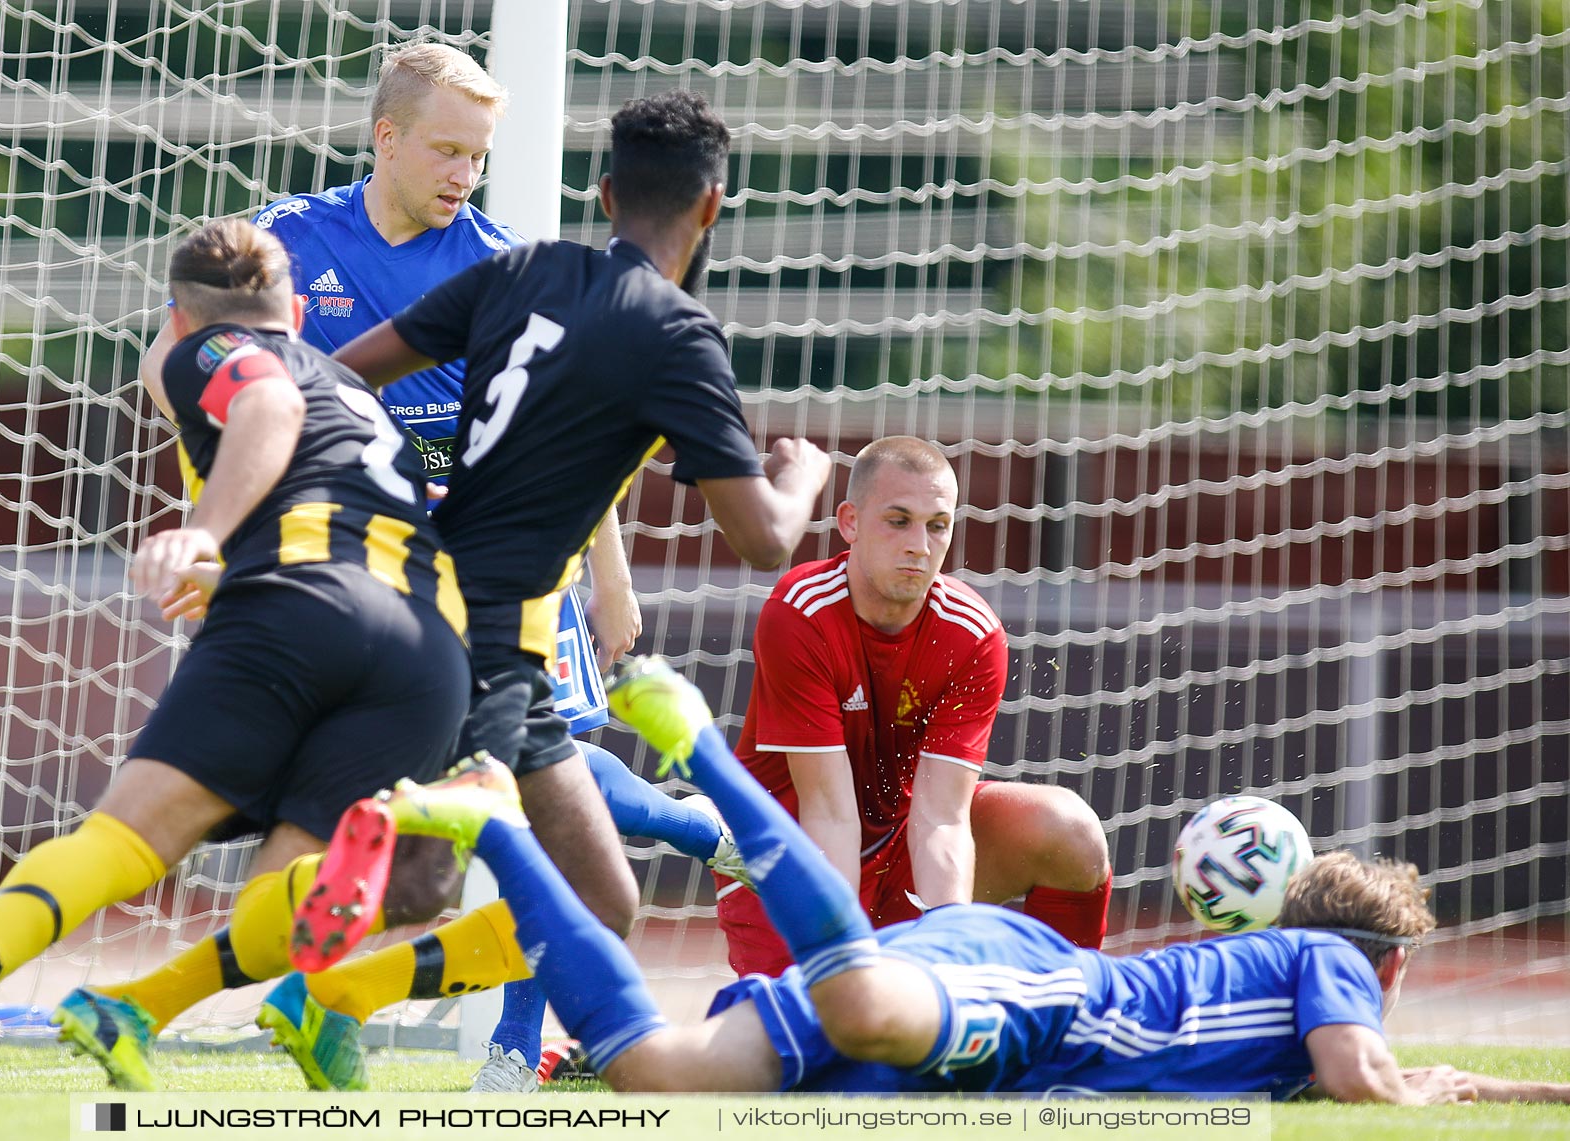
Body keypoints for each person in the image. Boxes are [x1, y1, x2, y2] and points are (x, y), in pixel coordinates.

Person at [80, 45, 729, 1094]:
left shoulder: (501, 262)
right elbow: (170, 365)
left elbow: (570, 436)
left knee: (523, 797)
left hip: (495, 570)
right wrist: (235, 482)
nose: (464, 172)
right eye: (446, 149)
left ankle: (497, 1048)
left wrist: (610, 578)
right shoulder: (288, 242)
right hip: (345, 576)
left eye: (477, 154)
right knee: (467, 818)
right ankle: (693, 827)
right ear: (386, 139)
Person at [0, 219, 471, 1090]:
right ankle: (359, 868)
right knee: (273, 906)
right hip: (430, 643)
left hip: (300, 604)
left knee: (123, 841)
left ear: (183, 318)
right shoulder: (354, 389)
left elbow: (265, 404)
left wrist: (206, 534)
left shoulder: (214, 352)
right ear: (303, 311)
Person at [312, 659, 1570, 1104]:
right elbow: (1366, 1079)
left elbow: (1391, 1076)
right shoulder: (1335, 961)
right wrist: (1408, 1085)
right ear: (1387, 962)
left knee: (653, 1073)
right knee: (861, 994)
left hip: (998, 997)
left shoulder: (1291, 1000)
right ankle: (696, 743)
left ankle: (493, 824)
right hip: (1039, 993)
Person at [281, 87, 832, 1085]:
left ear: (605, 188)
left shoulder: (519, 268)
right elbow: (763, 539)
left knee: (603, 903)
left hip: (452, 605)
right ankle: (305, 946)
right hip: (482, 626)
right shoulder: (676, 336)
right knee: (426, 882)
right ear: (713, 207)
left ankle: (340, 992)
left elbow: (340, 377)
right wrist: (806, 473)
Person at [721, 435, 1112, 975]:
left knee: (1069, 829)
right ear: (850, 522)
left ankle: (1066, 1023)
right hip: (795, 857)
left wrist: (946, 951)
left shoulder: (972, 635)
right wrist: (846, 962)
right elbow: (828, 814)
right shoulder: (801, 613)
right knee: (831, 1050)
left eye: (937, 525)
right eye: (898, 520)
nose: (920, 546)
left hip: (903, 848)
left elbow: (941, 816)